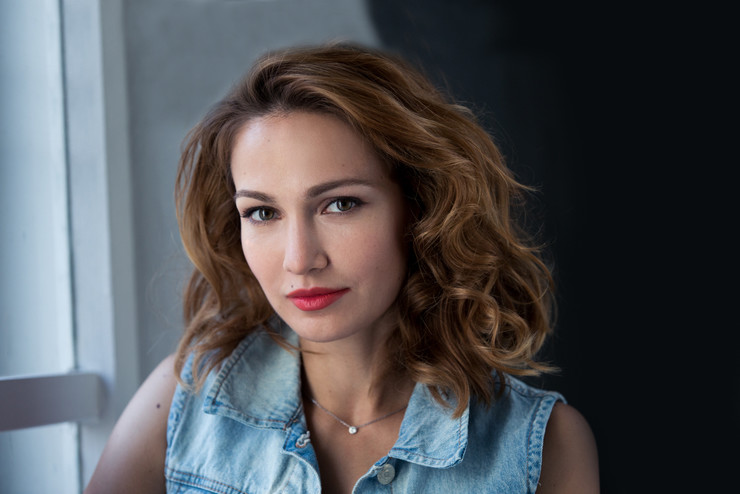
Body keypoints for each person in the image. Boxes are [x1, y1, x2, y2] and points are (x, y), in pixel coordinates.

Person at [84, 43, 598, 493]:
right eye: (262, 213)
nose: (300, 259)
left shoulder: (543, 446)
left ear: (421, 208)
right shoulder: (181, 402)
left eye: (340, 204)